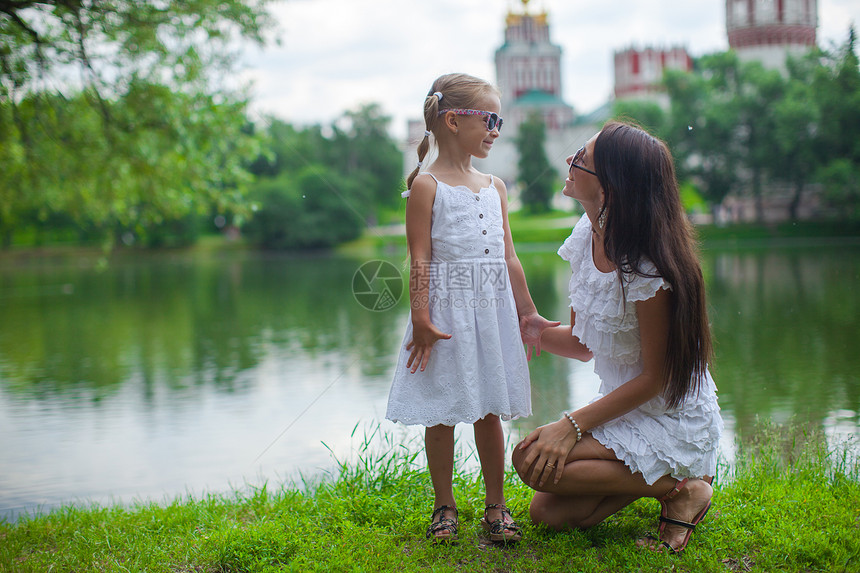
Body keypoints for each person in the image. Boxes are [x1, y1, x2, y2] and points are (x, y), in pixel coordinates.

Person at [512, 121, 724, 553]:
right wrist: (535, 329)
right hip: (626, 408)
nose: (570, 162)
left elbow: (656, 379)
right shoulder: (583, 237)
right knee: (546, 511)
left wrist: (572, 425)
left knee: (529, 459)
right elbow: (586, 342)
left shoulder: (646, 266)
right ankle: (667, 487)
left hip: (669, 414)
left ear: (609, 187)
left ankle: (685, 484)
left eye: (582, 160)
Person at [386, 73, 557, 543]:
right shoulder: (427, 185)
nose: (496, 129)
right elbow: (419, 257)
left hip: (491, 312)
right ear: (454, 120)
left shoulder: (494, 186)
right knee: (441, 412)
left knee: (488, 411)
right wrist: (421, 318)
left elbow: (508, 256)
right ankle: (445, 505)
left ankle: (495, 505)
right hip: (444, 315)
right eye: (490, 119)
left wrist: (528, 313)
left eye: (499, 120)